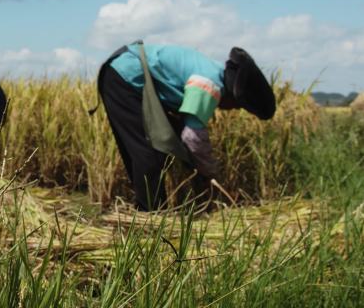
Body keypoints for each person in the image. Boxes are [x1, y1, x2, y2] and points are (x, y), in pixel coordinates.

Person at [94, 40, 276, 211]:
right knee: (150, 152)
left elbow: (183, 134)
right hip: (126, 76)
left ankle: (155, 212)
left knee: (158, 150)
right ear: (233, 97)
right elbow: (193, 137)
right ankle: (150, 218)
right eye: (237, 106)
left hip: (124, 73)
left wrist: (197, 169)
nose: (232, 110)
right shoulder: (209, 85)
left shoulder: (214, 71)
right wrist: (210, 174)